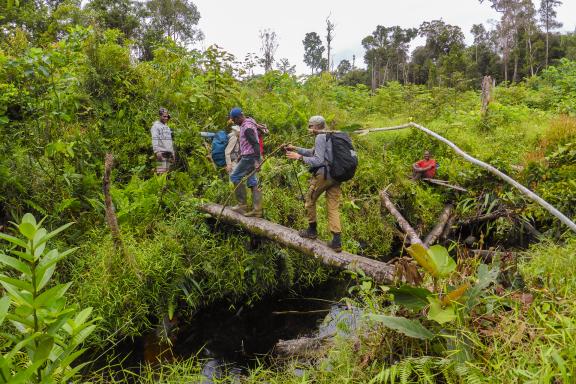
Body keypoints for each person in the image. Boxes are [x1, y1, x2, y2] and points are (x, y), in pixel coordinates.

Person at [285, 115, 343, 252]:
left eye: (310, 126)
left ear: (316, 127)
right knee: (333, 207)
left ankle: (312, 230)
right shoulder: (330, 135)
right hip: (336, 175)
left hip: (325, 175)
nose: (309, 129)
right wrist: (295, 148)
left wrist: (299, 157)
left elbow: (318, 160)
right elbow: (313, 152)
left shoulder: (320, 137)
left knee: (309, 200)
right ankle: (337, 241)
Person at [228, 107, 263, 217]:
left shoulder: (247, 127)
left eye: (234, 120)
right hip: (248, 156)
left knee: (234, 176)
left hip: (250, 157)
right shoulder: (249, 121)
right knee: (252, 181)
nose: (234, 122)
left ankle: (242, 204)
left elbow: (255, 144)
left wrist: (257, 161)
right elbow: (248, 143)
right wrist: (240, 155)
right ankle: (257, 209)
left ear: (238, 117)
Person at [151, 107, 175, 174]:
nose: (166, 118)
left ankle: (164, 184)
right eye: (164, 116)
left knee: (166, 173)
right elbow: (154, 139)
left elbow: (169, 141)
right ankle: (159, 184)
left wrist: (172, 152)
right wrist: (156, 151)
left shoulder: (167, 127)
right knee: (160, 173)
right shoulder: (155, 126)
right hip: (161, 153)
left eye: (167, 116)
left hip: (168, 153)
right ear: (160, 116)